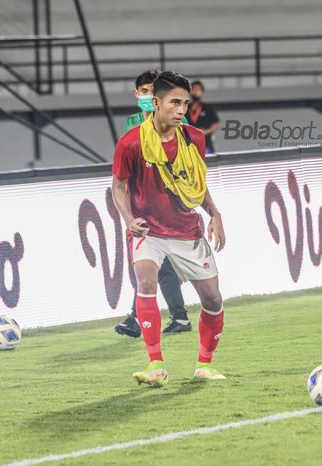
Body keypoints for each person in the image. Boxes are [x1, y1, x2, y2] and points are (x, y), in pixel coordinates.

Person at [112, 70, 227, 386]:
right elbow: (118, 186)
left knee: (213, 300)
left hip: (187, 230)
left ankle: (204, 364)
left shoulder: (195, 138)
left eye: (185, 103)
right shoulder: (131, 142)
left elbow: (196, 183)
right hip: (147, 229)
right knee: (145, 281)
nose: (181, 109)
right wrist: (128, 219)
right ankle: (155, 365)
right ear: (156, 102)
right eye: (175, 102)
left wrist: (214, 213)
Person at [115, 70, 192, 338]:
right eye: (144, 92)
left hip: (166, 203)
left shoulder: (176, 124)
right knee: (156, 264)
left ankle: (139, 319)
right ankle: (177, 317)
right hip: (141, 204)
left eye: (153, 91)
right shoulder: (133, 124)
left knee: (150, 263)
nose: (149, 97)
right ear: (136, 95)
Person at [185, 80, 222, 154]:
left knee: (208, 164)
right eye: (194, 89)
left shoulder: (207, 108)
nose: (196, 92)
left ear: (202, 92)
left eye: (198, 89)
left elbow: (218, 125)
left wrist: (205, 131)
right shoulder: (185, 108)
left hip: (206, 145)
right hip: (188, 146)